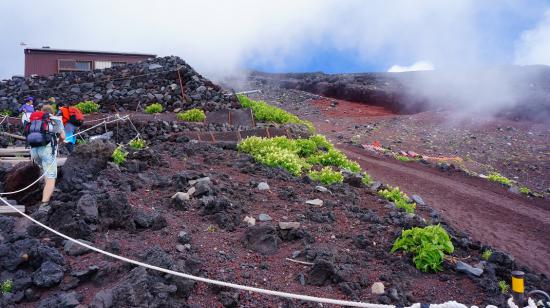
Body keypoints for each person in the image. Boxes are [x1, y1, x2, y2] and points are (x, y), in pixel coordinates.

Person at [26, 104, 65, 207]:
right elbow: (62, 136)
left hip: (34, 151)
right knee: (51, 177)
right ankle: (44, 205)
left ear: (42, 111)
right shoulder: (54, 119)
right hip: (47, 151)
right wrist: (59, 141)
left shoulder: (34, 119)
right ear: (51, 112)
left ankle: (46, 193)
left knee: (45, 172)